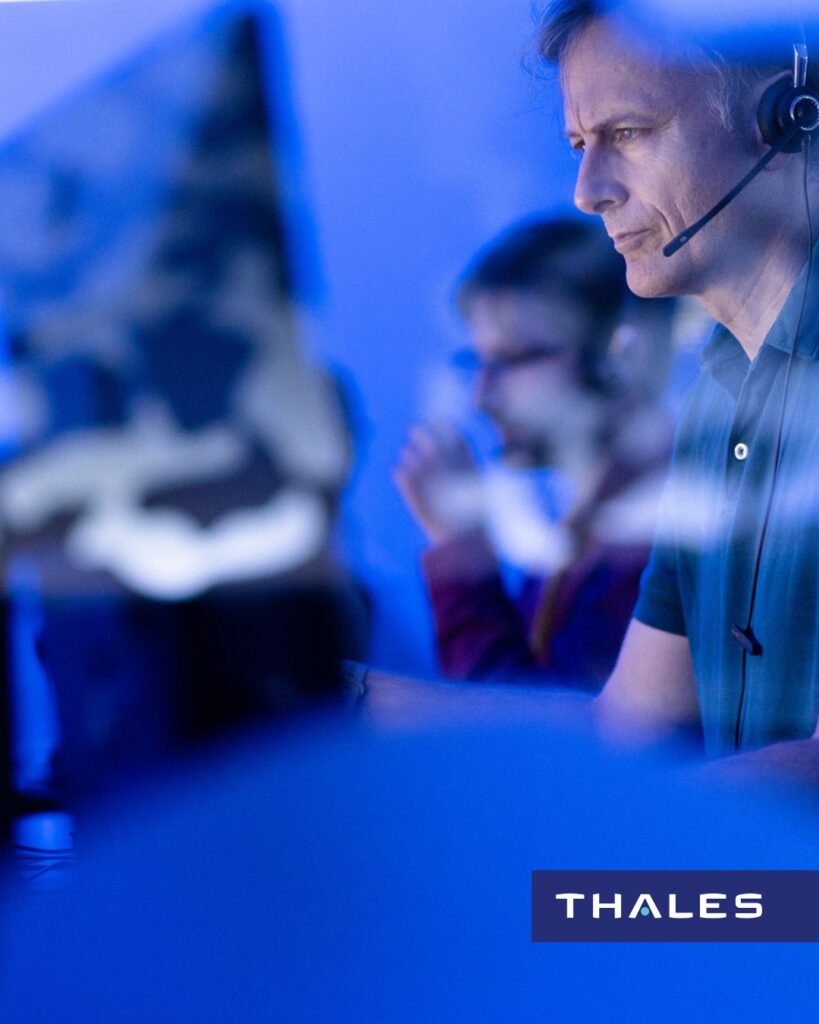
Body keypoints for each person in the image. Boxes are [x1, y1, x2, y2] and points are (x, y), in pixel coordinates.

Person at [367, 4, 819, 779]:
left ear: (784, 117)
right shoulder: (717, 401)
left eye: (628, 133)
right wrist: (338, 707)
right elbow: (625, 731)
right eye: (580, 145)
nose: (587, 190)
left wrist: (627, 837)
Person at [394, 217, 675, 691]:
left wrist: (462, 553)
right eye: (477, 363)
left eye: (515, 359)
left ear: (618, 355)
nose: (482, 397)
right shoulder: (582, 531)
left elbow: (538, 729)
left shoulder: (649, 539)